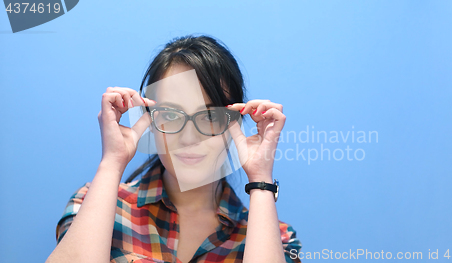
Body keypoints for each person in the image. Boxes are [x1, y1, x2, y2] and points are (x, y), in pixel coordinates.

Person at [46, 35, 302, 263]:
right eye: (170, 114)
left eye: (210, 117)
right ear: (150, 120)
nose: (189, 137)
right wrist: (113, 161)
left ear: (234, 121)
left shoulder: (277, 238)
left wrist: (260, 180)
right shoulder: (96, 204)